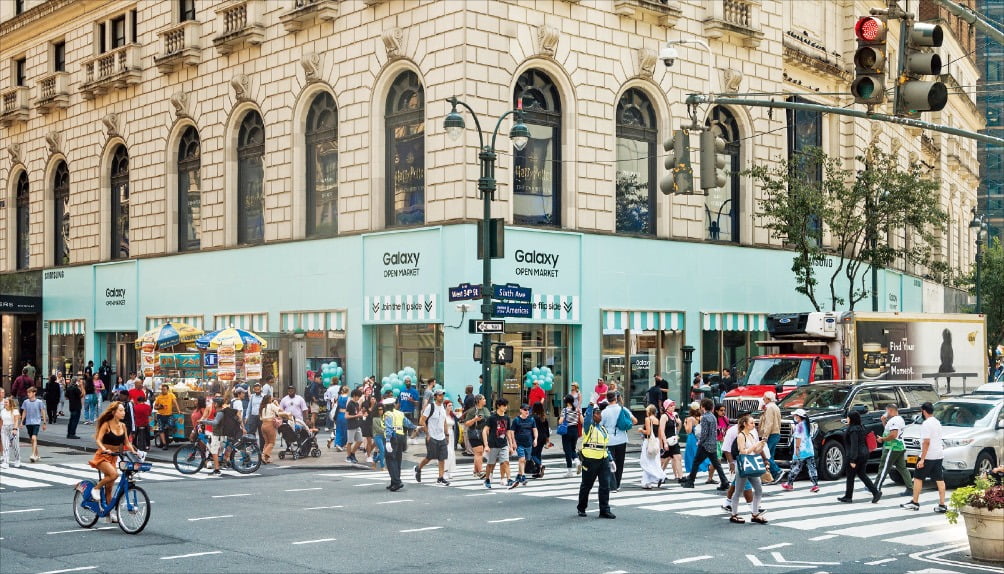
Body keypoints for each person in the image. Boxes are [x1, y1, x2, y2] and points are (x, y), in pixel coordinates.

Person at [88, 401, 138, 523]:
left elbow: (126, 442)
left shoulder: (123, 426)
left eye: (124, 410)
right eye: (120, 410)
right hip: (103, 456)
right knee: (113, 475)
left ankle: (108, 513)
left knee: (110, 488)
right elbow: (98, 440)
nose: (123, 412)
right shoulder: (106, 425)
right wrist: (105, 449)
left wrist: (134, 452)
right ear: (114, 412)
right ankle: (96, 489)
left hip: (114, 457)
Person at [902, 402, 947, 513]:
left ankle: (915, 502)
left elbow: (926, 442)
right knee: (939, 479)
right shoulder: (937, 422)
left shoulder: (926, 424)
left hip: (928, 456)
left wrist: (922, 459)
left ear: (923, 411)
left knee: (918, 478)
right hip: (938, 455)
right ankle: (942, 504)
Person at [681, 398, 730, 490]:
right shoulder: (713, 417)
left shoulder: (704, 417)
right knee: (716, 464)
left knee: (696, 462)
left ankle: (690, 481)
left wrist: (700, 441)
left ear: (703, 407)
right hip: (713, 443)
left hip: (705, 445)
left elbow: (704, 432)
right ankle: (724, 481)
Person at [577, 406, 616, 519]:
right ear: (593, 416)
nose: (600, 415)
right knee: (587, 485)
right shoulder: (588, 427)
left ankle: (604, 510)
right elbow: (587, 417)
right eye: (598, 413)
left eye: (600, 413)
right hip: (590, 459)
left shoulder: (602, 428)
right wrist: (590, 404)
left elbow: (605, 446)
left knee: (605, 485)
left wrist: (611, 459)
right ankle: (581, 507)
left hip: (603, 459)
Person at [730, 414, 767, 524]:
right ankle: (734, 514)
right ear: (745, 424)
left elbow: (756, 451)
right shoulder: (741, 436)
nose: (753, 425)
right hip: (744, 465)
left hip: (752, 465)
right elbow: (742, 451)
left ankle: (755, 513)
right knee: (738, 491)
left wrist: (762, 444)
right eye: (751, 423)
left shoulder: (751, 435)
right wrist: (755, 446)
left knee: (759, 489)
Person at [838, 410, 882, 504]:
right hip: (864, 453)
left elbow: (854, 445)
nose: (847, 419)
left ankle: (848, 497)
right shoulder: (861, 427)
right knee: (862, 474)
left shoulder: (853, 429)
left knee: (850, 476)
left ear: (852, 419)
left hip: (856, 455)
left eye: (848, 417)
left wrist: (852, 459)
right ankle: (875, 492)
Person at [599, 391, 635, 492]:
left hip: (609, 439)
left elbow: (600, 425)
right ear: (615, 398)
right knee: (620, 462)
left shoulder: (604, 412)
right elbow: (634, 420)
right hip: (622, 438)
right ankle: (618, 483)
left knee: (611, 462)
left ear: (607, 399)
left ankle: (613, 485)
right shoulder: (622, 409)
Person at [875, 403, 913, 495]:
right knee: (902, 468)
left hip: (892, 447)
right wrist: (884, 421)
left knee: (884, 467)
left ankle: (875, 487)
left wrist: (882, 439)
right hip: (899, 446)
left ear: (890, 410)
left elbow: (893, 435)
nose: (886, 413)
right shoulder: (898, 419)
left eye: (887, 411)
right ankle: (910, 488)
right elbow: (889, 430)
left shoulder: (894, 421)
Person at [415, 389, 450, 486]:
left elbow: (444, 421)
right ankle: (418, 468)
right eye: (439, 395)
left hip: (441, 436)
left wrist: (447, 434)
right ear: (435, 397)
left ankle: (440, 477)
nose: (441, 397)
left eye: (442, 395)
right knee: (430, 457)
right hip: (432, 436)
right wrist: (427, 434)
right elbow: (422, 421)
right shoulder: (431, 407)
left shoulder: (443, 407)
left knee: (442, 458)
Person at [383, 396, 417, 491]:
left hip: (393, 437)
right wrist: (415, 427)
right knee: (397, 460)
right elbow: (407, 423)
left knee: (390, 460)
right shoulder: (400, 413)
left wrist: (388, 441)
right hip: (401, 437)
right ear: (394, 405)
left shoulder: (387, 414)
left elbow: (389, 428)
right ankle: (394, 481)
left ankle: (397, 482)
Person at [783, 408, 819, 492]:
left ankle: (789, 484)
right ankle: (815, 485)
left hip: (801, 451)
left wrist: (797, 448)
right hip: (809, 450)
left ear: (798, 417)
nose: (794, 417)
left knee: (795, 467)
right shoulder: (807, 424)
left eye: (795, 415)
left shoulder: (799, 426)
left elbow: (798, 438)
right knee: (812, 468)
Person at [482, 398, 512, 489]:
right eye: (504, 405)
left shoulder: (507, 418)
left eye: (506, 406)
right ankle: (487, 479)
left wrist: (510, 444)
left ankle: (509, 479)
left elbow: (508, 432)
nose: (505, 407)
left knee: (505, 462)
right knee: (491, 464)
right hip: (493, 444)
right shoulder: (492, 418)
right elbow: (485, 431)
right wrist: (486, 445)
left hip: (503, 443)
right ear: (499, 406)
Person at [463, 394, 491, 479]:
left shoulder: (486, 410)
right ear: (479, 401)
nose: (485, 400)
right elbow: (466, 423)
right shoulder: (472, 411)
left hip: (484, 434)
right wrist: (475, 419)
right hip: (474, 433)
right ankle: (480, 471)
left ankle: (476, 471)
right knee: (479, 452)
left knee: (479, 453)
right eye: (483, 399)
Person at [682, 402, 712, 480]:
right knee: (700, 453)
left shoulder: (689, 419)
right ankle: (706, 464)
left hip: (691, 438)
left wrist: (685, 425)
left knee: (691, 455)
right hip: (699, 437)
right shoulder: (701, 417)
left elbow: (688, 431)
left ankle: (693, 471)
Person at [639, 404, 666, 489]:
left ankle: (660, 476)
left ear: (649, 411)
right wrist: (660, 445)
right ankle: (647, 482)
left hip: (649, 442)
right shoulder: (657, 420)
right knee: (653, 461)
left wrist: (641, 430)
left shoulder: (648, 419)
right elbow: (659, 434)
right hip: (656, 442)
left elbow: (648, 432)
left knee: (645, 461)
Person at [760, 391, 783, 483]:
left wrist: (765, 436)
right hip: (776, 433)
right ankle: (773, 476)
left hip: (770, 434)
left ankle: (777, 471)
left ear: (768, 399)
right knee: (771, 455)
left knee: (766, 455)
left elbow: (769, 423)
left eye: (764, 398)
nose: (763, 400)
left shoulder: (769, 408)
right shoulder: (776, 407)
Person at [659, 399, 684, 482]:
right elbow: (662, 430)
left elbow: (678, 429)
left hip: (673, 440)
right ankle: (658, 475)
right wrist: (664, 443)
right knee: (663, 460)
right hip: (667, 441)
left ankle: (681, 477)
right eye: (671, 405)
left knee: (678, 457)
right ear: (666, 407)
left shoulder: (674, 416)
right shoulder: (664, 416)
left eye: (673, 405)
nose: (673, 407)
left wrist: (679, 422)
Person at [20, 387, 47, 462]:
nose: (28, 394)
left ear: (34, 393)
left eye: (30, 392)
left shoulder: (39, 402)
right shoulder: (26, 402)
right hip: (28, 422)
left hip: (36, 422)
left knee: (34, 438)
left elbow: (43, 411)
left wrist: (44, 422)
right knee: (32, 440)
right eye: (28, 393)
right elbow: (24, 412)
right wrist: (22, 421)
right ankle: (37, 455)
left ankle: (33, 455)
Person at [558, 395, 582, 477]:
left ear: (567, 402)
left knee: (567, 450)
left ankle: (569, 471)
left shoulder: (565, 410)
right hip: (575, 431)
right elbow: (582, 421)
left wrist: (561, 419)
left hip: (567, 431)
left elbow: (560, 421)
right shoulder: (577, 409)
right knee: (572, 448)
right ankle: (577, 460)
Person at [153, 383, 181, 450]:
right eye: (162, 389)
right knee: (161, 430)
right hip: (160, 415)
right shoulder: (159, 397)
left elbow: (175, 403)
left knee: (172, 424)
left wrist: (178, 410)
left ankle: (167, 429)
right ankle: (165, 444)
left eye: (164, 389)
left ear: (167, 390)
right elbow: (155, 406)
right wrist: (159, 407)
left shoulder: (171, 395)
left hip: (169, 415)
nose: (163, 391)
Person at [259, 396, 285, 464]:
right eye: (271, 398)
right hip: (270, 424)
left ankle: (266, 459)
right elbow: (280, 410)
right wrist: (276, 404)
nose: (272, 399)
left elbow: (260, 418)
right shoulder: (271, 405)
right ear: (268, 399)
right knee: (271, 442)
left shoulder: (262, 407)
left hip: (263, 425)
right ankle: (263, 455)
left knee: (266, 442)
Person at [529, 402, 550, 479]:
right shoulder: (544, 418)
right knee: (538, 454)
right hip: (543, 438)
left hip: (535, 437)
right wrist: (547, 440)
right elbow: (547, 430)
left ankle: (540, 466)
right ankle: (538, 471)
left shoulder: (533, 417)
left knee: (532, 454)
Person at [344, 389, 365, 464]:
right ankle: (348, 456)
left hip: (357, 424)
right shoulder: (350, 404)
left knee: (360, 440)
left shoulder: (356, 404)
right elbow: (346, 416)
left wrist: (361, 415)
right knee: (350, 442)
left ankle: (352, 454)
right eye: (358, 396)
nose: (359, 398)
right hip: (351, 425)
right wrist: (356, 415)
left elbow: (358, 413)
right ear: (354, 396)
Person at [1, 397, 21, 468]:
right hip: (4, 428)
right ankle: (6, 462)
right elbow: (1, 421)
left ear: (10, 403)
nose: (5, 403)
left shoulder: (15, 411)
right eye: (4, 402)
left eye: (6, 402)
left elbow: (16, 420)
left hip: (12, 428)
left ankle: (17, 460)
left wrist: (15, 429)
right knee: (5, 446)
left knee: (15, 445)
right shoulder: (2, 411)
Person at [443, 399, 458, 480]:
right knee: (448, 452)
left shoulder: (452, 415)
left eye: (452, 405)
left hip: (452, 434)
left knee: (452, 453)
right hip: (445, 434)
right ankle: (444, 471)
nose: (451, 407)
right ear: (445, 406)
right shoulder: (443, 415)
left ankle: (449, 471)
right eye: (449, 405)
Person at [332, 386, 350, 450]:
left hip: (339, 415)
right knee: (345, 430)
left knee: (338, 430)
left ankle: (337, 443)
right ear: (348, 391)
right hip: (345, 415)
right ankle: (343, 444)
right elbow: (348, 407)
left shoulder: (339, 397)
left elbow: (335, 405)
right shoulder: (348, 398)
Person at [371, 401, 387, 471]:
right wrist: (385, 431)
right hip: (377, 436)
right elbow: (377, 428)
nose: (381, 411)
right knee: (382, 450)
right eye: (379, 409)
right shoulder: (375, 419)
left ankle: (374, 461)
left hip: (384, 436)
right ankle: (382, 466)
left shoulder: (384, 417)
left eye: (382, 409)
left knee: (384, 451)